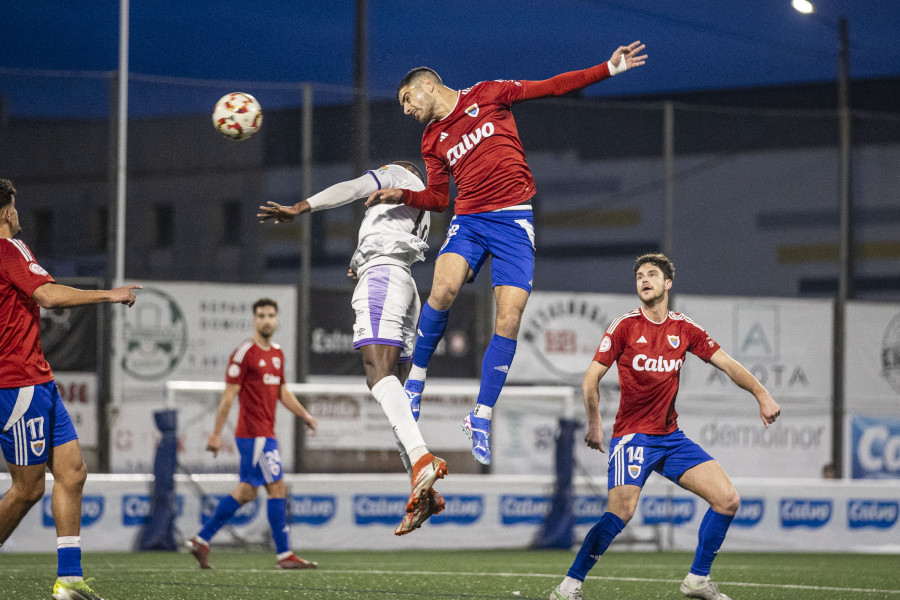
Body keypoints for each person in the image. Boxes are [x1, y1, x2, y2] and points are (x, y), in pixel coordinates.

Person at [366, 42, 648, 465]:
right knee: (442, 290)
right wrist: (400, 193)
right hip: (470, 222)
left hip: (514, 222)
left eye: (407, 99)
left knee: (510, 319)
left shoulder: (489, 94)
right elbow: (440, 198)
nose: (406, 109)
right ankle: (415, 386)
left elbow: (552, 86)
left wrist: (608, 68)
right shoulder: (431, 141)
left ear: (427, 86)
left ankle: (481, 416)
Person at [550, 253, 781, 600]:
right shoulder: (624, 326)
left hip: (670, 437)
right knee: (621, 512)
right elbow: (591, 378)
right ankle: (569, 586)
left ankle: (697, 581)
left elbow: (727, 364)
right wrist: (595, 423)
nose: (644, 280)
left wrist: (762, 395)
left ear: (667, 283)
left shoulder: (684, 329)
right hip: (632, 436)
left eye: (652, 274)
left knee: (727, 500)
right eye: (640, 275)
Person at [258, 161, 448, 535]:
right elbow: (391, 237)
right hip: (405, 285)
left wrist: (300, 207)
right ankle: (421, 483)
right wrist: (360, 260)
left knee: (377, 376)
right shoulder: (419, 206)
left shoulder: (398, 174)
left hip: (383, 278)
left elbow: (350, 187)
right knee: (396, 391)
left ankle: (422, 461)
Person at [0, 178, 141, 600]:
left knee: (73, 473)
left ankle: (70, 581)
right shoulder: (10, 248)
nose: (19, 215)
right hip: (19, 383)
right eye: (16, 207)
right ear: (7, 211)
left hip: (36, 380)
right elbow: (48, 296)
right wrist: (110, 295)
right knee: (28, 489)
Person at [185, 298, 319, 569]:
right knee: (277, 486)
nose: (266, 320)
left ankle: (201, 539)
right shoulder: (244, 353)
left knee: (246, 492)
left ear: (277, 319)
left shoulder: (278, 354)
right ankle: (284, 555)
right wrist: (216, 434)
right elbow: (228, 397)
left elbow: (282, 392)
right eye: (261, 315)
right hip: (254, 435)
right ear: (254, 319)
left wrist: (305, 415)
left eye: (271, 315)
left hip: (264, 434)